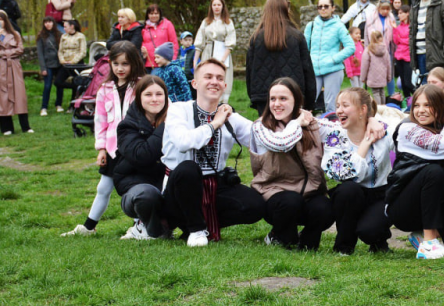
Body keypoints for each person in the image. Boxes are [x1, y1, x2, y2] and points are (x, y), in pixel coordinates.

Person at [160, 58, 267, 246]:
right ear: (195, 83)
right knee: (188, 169)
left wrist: (293, 122)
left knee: (255, 205)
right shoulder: (178, 110)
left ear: (225, 85)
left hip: (213, 184)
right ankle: (195, 229)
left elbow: (261, 137)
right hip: (178, 189)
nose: (214, 81)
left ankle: (204, 223)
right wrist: (215, 124)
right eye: (208, 77)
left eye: (219, 78)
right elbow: (183, 142)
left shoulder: (229, 116)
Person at [385, 84, 444, 259]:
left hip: (436, 205)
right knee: (433, 171)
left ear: (440, 107)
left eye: (428, 105)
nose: (421, 111)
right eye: (417, 105)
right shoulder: (408, 129)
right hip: (404, 208)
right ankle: (429, 243)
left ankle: (425, 237)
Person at [62, 42, 144, 235]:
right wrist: (101, 149)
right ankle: (89, 227)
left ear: (134, 63)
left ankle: (140, 225)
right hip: (113, 148)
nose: (120, 68)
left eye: (125, 63)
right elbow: (100, 122)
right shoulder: (104, 89)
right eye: (116, 63)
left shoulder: (143, 86)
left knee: (131, 188)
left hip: (135, 148)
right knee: (103, 187)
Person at [249, 78, 335, 250]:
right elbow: (281, 144)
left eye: (283, 98)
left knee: (325, 208)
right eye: (272, 99)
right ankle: (278, 236)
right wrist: (297, 123)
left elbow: (343, 129)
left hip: (308, 193)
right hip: (274, 195)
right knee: (290, 202)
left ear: (296, 101)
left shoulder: (312, 123)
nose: (276, 104)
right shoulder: (260, 127)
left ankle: (306, 241)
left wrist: (371, 122)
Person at [320, 87, 394, 254]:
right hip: (353, 194)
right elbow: (345, 173)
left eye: (345, 105)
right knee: (347, 190)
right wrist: (366, 143)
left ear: (363, 109)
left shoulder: (384, 131)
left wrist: (374, 120)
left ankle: (379, 242)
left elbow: (403, 136)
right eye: (337, 106)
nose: (339, 111)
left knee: (369, 231)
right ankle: (344, 247)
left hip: (381, 194)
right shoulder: (335, 137)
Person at [113, 75, 170, 240]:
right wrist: (166, 125)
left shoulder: (177, 122)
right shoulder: (127, 126)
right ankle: (145, 228)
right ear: (139, 98)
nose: (154, 99)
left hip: (166, 183)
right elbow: (142, 155)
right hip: (136, 189)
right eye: (148, 94)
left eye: (159, 94)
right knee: (147, 195)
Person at [245, 0, 316, 116]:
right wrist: (309, 102)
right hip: (291, 95)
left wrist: (255, 97)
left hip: (265, 97)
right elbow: (307, 70)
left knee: (267, 133)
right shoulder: (296, 36)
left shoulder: (256, 38)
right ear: (286, 9)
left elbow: (249, 72)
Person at [304, 0, 355, 113]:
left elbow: (351, 47)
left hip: (333, 70)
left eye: (326, 6)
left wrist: (334, 59)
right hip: (313, 70)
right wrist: (307, 64)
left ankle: (332, 129)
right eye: (320, 6)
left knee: (331, 105)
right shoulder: (311, 26)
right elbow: (304, 48)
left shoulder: (339, 26)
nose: (323, 9)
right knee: (307, 104)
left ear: (333, 8)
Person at [194, 0, 237, 102]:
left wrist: (222, 59)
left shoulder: (228, 22)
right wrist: (195, 60)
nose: (216, 7)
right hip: (208, 52)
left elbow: (230, 42)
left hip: (223, 53)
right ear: (211, 7)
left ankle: (222, 104)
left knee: (222, 76)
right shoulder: (206, 22)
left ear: (222, 6)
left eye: (219, 5)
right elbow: (200, 41)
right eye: (214, 5)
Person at [0, 10, 31, 135]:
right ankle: (7, 127)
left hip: (14, 66)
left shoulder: (15, 34)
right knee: (3, 96)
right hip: (1, 67)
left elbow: (20, 49)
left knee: (20, 94)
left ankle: (26, 126)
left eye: (1, 19)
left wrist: (6, 54)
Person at [36, 16, 63, 116]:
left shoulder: (59, 34)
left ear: (53, 23)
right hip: (48, 64)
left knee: (59, 85)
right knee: (47, 86)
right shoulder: (41, 36)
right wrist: (43, 68)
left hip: (59, 63)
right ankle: (44, 107)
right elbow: (40, 53)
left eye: (50, 22)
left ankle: (59, 104)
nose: (48, 24)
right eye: (46, 22)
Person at [140, 4, 178, 69]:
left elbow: (174, 43)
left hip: (163, 62)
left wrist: (173, 59)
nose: (154, 16)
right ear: (148, 15)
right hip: (147, 62)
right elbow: (141, 41)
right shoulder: (143, 27)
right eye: (151, 14)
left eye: (156, 13)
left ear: (160, 14)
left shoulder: (167, 24)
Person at [56, 19, 87, 96]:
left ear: (72, 26)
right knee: (57, 82)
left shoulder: (80, 36)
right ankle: (76, 87)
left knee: (76, 80)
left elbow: (82, 52)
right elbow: (60, 51)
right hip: (66, 64)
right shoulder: (63, 36)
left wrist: (73, 61)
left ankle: (73, 104)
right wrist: (62, 61)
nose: (64, 29)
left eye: (65, 27)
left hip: (77, 64)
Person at [361, 29, 392, 105]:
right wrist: (388, 77)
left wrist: (363, 78)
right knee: (382, 92)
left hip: (373, 76)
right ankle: (383, 107)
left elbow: (364, 66)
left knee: (375, 92)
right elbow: (388, 64)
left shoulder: (368, 50)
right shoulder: (385, 50)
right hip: (382, 76)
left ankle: (378, 108)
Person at [393, 5, 413, 100]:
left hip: (407, 56)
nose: (399, 15)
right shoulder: (399, 27)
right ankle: (408, 101)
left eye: (401, 13)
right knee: (403, 83)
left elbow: (410, 41)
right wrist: (395, 30)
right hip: (399, 56)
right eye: (398, 13)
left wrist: (402, 40)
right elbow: (396, 41)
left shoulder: (411, 26)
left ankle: (420, 95)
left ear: (407, 13)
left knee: (408, 82)